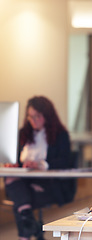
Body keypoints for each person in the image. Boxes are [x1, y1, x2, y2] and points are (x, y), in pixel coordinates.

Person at [4, 96, 76, 240]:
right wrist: (13, 164)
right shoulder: (23, 134)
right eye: (30, 117)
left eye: (37, 116)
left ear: (47, 116)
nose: (33, 121)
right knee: (12, 178)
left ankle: (27, 229)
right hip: (24, 183)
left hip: (49, 185)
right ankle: (33, 228)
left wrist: (41, 164)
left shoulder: (60, 135)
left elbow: (65, 161)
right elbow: (17, 160)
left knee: (21, 203)